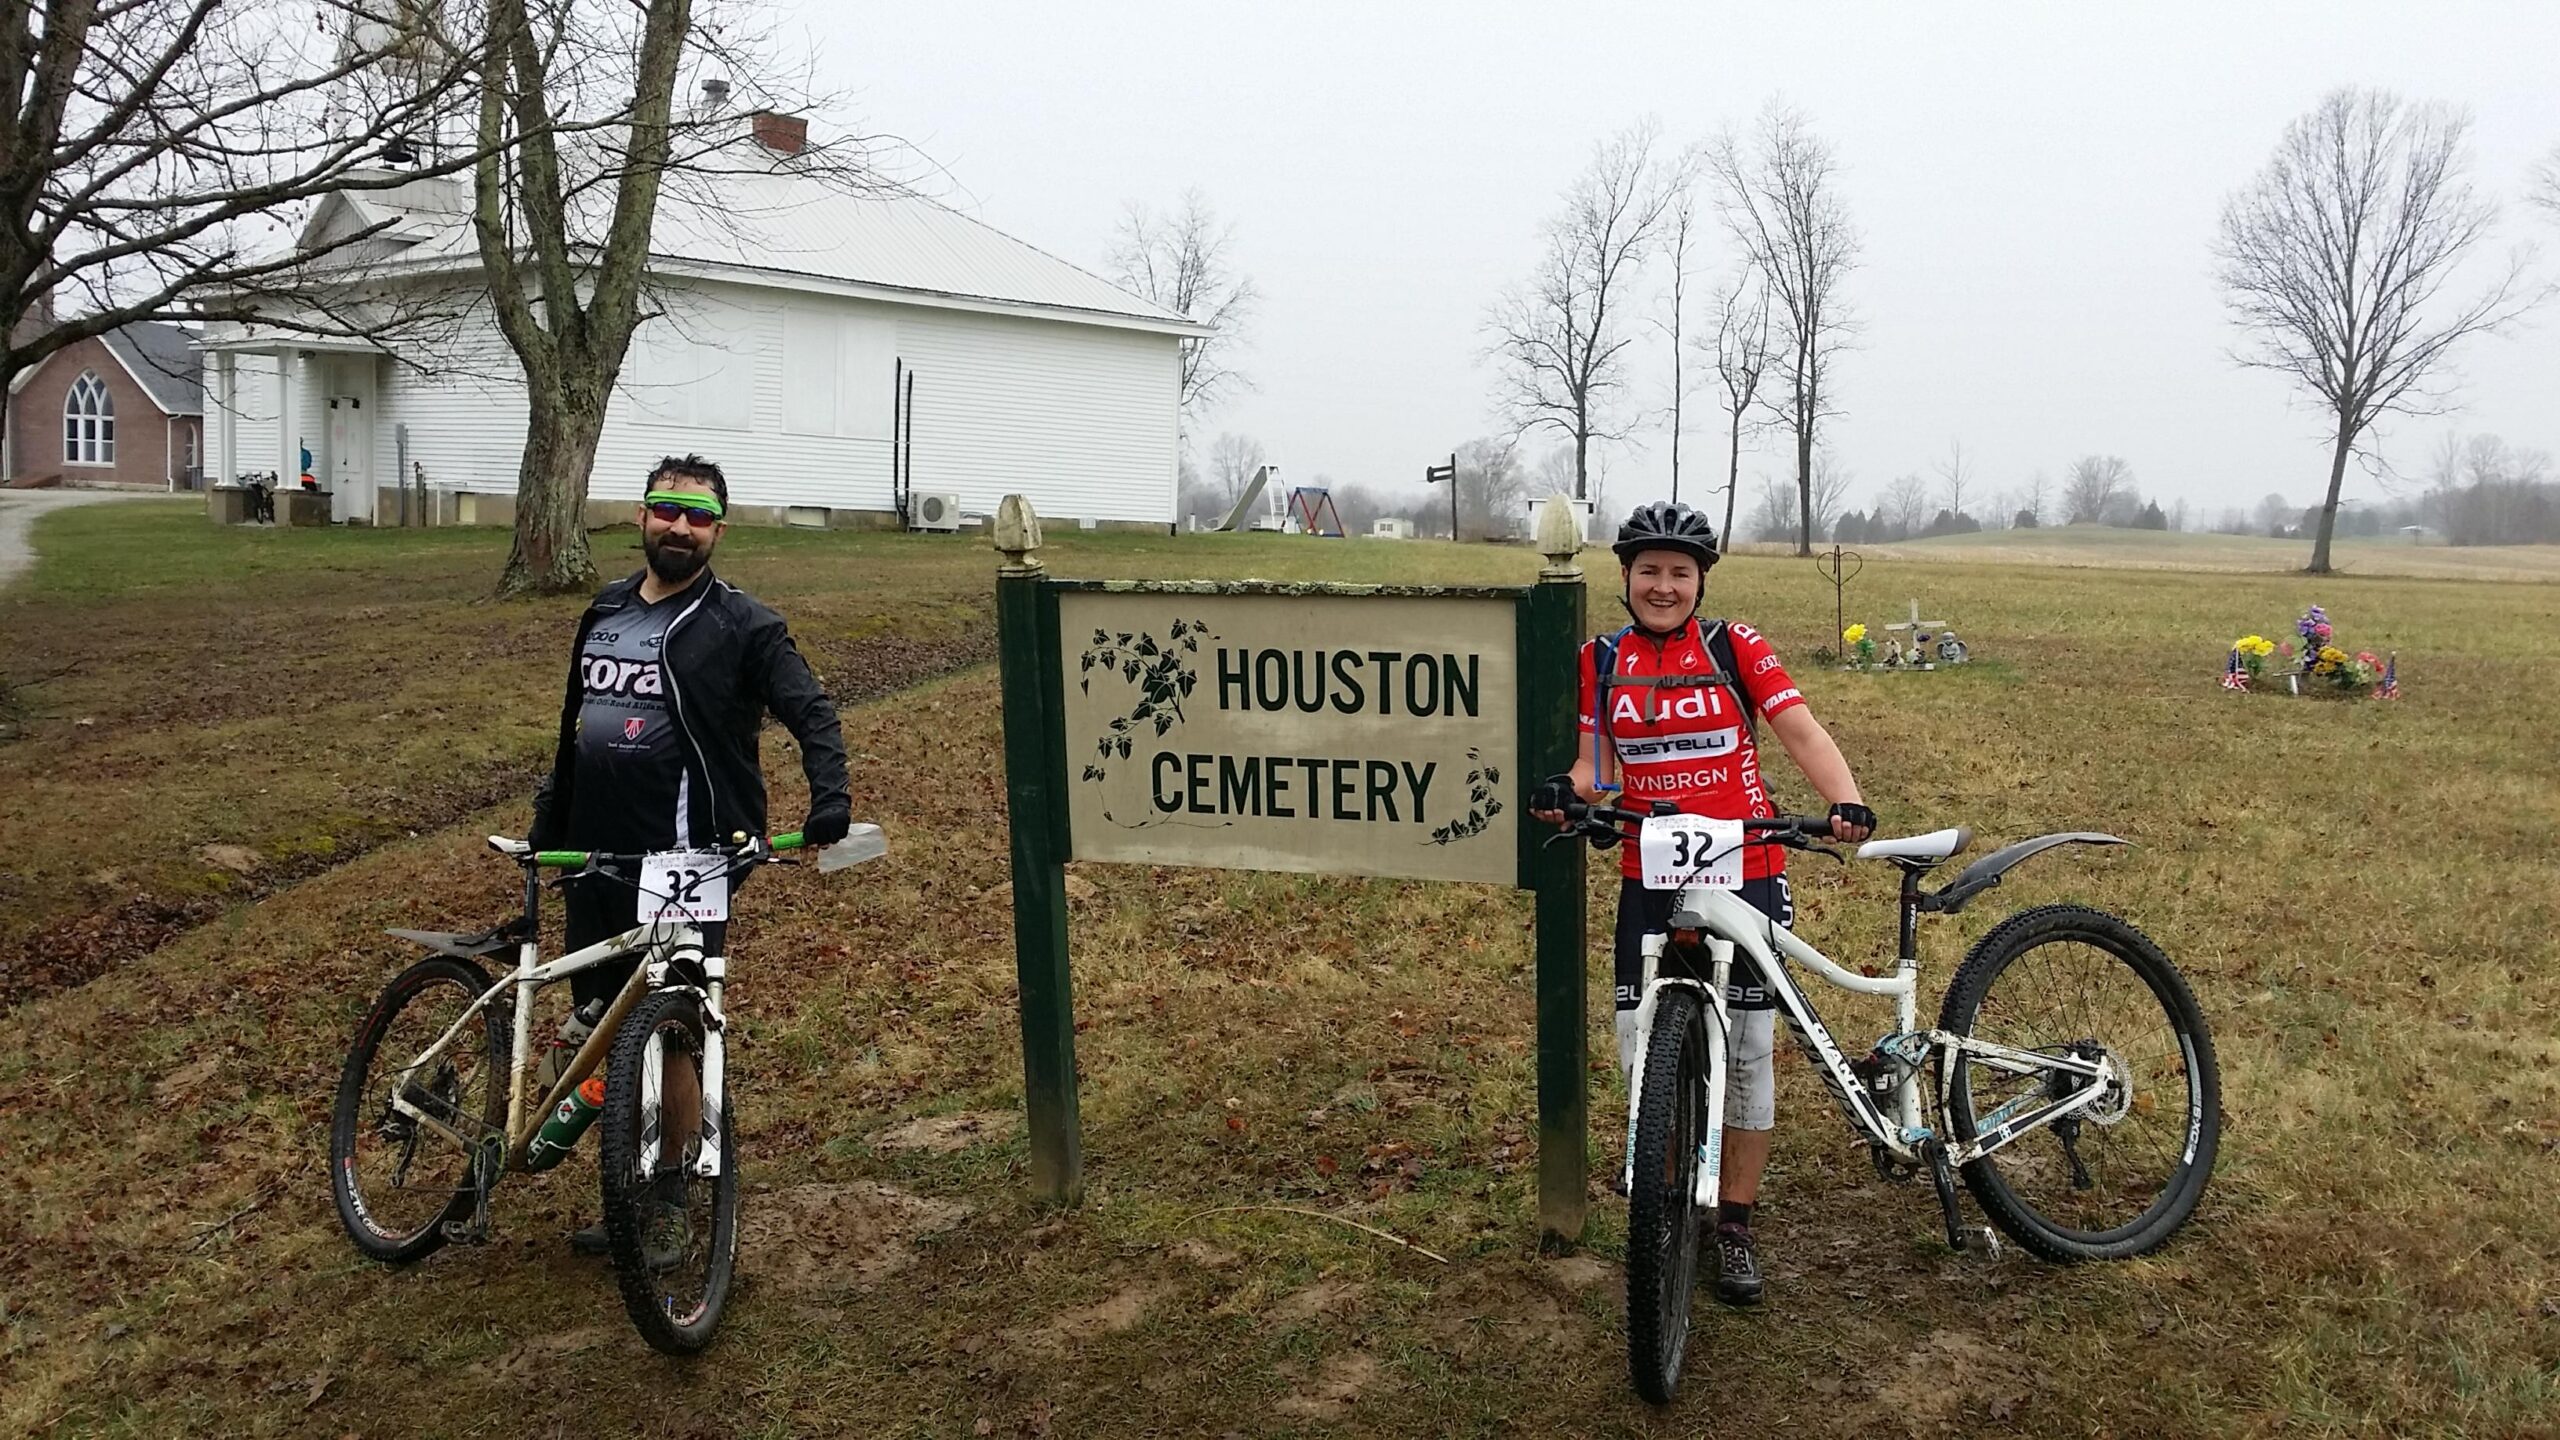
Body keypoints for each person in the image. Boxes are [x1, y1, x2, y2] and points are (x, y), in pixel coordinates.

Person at [1531, 500, 1874, 1307]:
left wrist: (1846, 801)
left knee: (1751, 1051)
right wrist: (1567, 792)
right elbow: (1596, 767)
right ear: (1625, 578)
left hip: (1745, 862)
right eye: (1648, 571)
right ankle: (1663, 1195)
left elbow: (1799, 731)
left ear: (1699, 583)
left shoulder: (1734, 645)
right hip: (1649, 871)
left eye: (1678, 573)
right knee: (1640, 1048)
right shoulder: (1602, 658)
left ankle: (1737, 1226)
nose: (1662, 586)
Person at [525, 454, 852, 1255]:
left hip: (688, 859)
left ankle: (671, 1193)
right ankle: (622, 1174)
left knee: (671, 1031)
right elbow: (577, 726)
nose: (680, 526)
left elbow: (811, 711)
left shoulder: (744, 625)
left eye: (698, 516)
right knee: (601, 1019)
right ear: (641, 517)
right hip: (596, 854)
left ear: (718, 532)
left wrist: (829, 798)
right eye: (667, 510)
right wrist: (550, 825)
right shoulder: (602, 610)